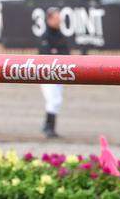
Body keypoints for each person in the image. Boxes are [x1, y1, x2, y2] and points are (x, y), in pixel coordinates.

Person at [38, 7, 70, 138]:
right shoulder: (45, 36)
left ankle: (48, 126)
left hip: (59, 74)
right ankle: (48, 127)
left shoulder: (60, 35)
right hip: (47, 75)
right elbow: (46, 56)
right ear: (49, 19)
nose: (60, 21)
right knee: (53, 100)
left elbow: (66, 54)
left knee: (57, 100)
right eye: (57, 18)